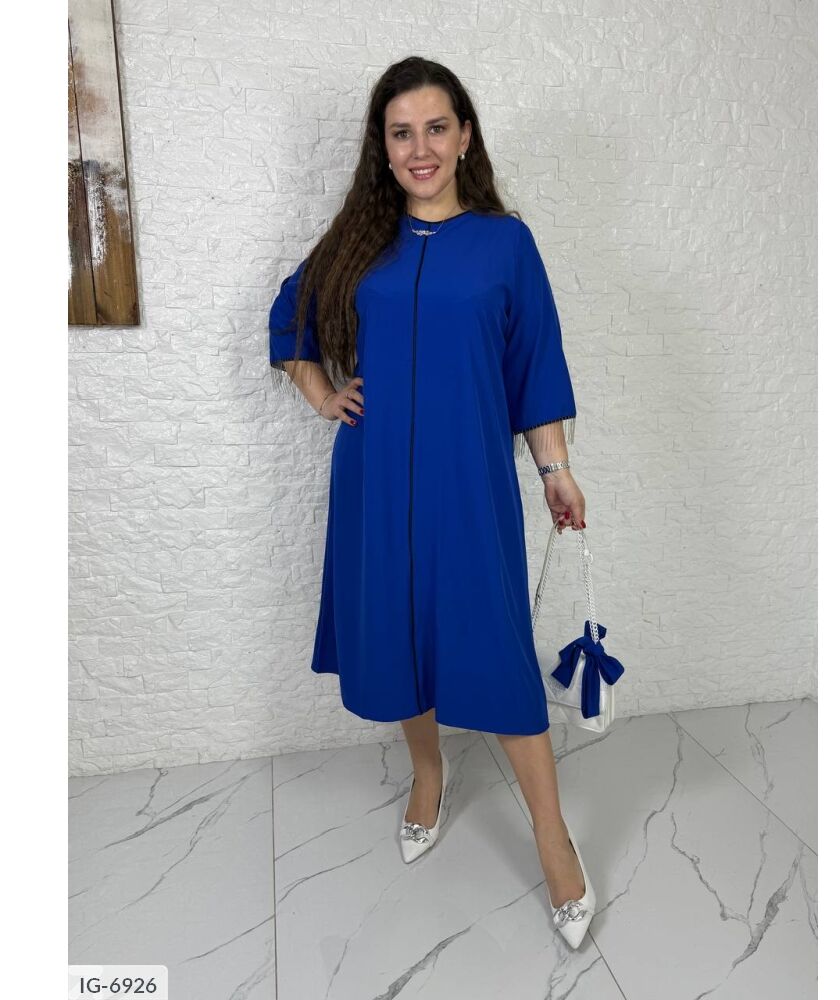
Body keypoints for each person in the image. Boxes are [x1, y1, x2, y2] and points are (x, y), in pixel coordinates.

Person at [267, 56, 595, 949]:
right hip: (373, 479)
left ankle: (552, 838)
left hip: (467, 482)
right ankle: (427, 775)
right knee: (398, 634)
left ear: (464, 136)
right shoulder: (357, 243)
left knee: (495, 645)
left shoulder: (503, 244)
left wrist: (554, 471)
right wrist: (321, 393)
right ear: (382, 147)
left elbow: (535, 365)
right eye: (401, 132)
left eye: (436, 128)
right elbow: (291, 316)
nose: (420, 148)